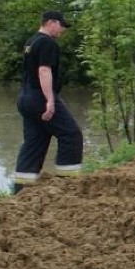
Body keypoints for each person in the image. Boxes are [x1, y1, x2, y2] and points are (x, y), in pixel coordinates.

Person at [13, 11, 83, 194]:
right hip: (40, 97)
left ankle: (21, 190)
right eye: (61, 26)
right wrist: (50, 100)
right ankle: (67, 186)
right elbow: (44, 70)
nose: (63, 30)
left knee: (34, 141)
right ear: (51, 22)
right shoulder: (47, 42)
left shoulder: (31, 41)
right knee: (71, 134)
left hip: (25, 98)